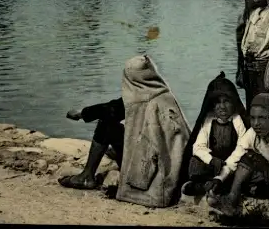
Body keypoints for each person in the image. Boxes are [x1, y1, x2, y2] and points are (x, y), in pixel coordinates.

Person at [61, 55, 191, 208]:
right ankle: (99, 167)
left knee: (107, 125)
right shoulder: (163, 94)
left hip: (158, 169)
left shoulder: (140, 100)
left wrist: (82, 113)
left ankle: (86, 176)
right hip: (177, 163)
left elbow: (111, 110)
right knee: (118, 128)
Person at [207, 93, 269, 216]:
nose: (256, 123)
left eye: (262, 118)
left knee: (252, 157)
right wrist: (219, 178)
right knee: (247, 157)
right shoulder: (252, 134)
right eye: (252, 118)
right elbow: (235, 158)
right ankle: (232, 200)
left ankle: (232, 200)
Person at [181, 72, 250, 198]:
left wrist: (224, 168)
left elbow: (241, 149)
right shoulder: (208, 120)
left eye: (226, 102)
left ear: (234, 103)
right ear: (212, 105)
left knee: (246, 167)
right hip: (213, 165)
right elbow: (198, 147)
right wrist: (211, 160)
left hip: (231, 165)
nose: (222, 107)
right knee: (194, 163)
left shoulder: (238, 121)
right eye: (218, 102)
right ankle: (209, 185)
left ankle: (214, 185)